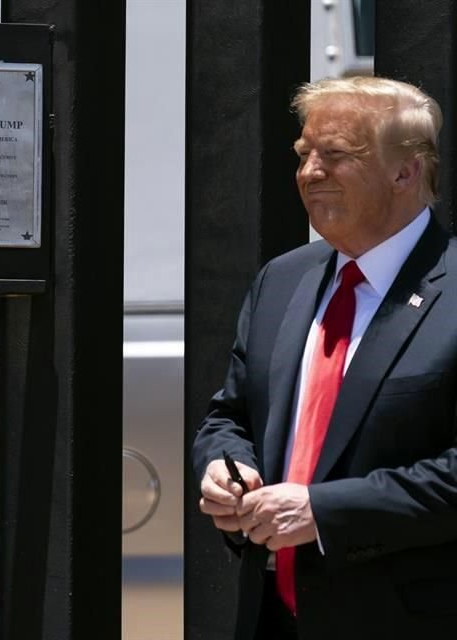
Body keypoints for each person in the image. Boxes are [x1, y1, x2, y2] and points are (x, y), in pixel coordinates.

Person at [193, 76, 457, 640]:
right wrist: (222, 467)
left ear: (405, 171)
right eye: (304, 154)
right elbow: (230, 415)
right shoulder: (283, 279)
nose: (310, 173)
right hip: (272, 619)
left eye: (335, 155)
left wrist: (324, 512)